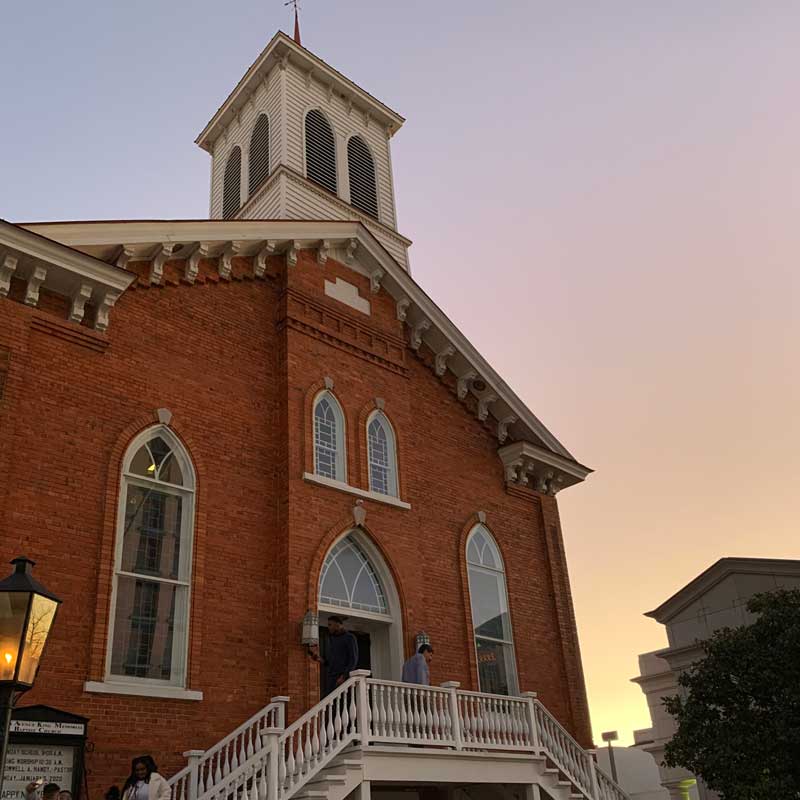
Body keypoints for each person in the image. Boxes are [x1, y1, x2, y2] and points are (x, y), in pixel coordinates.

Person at [309, 616, 359, 696]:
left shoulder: (350, 638)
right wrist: (319, 658)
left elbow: (353, 660)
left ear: (338, 625)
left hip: (343, 678)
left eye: (330, 625)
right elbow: (329, 662)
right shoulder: (332, 639)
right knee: (330, 703)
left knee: (342, 703)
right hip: (331, 678)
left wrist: (344, 676)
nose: (328, 627)